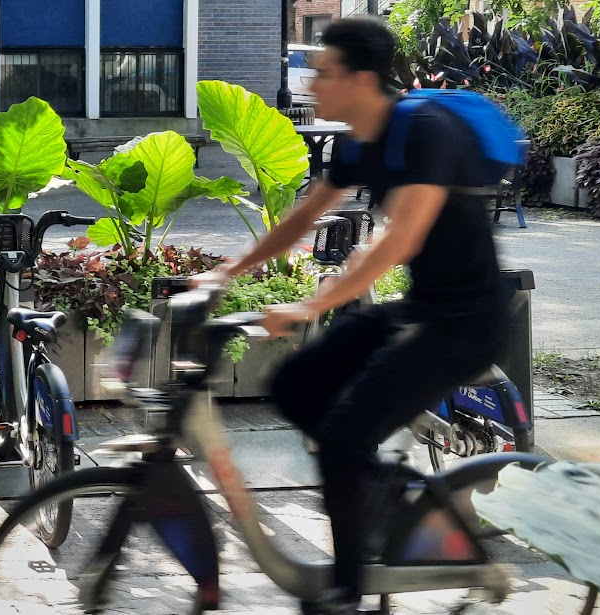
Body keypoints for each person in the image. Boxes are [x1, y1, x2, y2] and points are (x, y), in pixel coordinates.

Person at [191, 17, 511, 615]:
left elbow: (400, 238)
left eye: (324, 74)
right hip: (423, 311)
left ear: (363, 79)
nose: (312, 85)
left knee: (340, 437)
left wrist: (312, 305)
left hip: (467, 324)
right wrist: (225, 273)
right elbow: (301, 218)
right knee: (294, 384)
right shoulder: (361, 139)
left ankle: (348, 590)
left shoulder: (425, 130)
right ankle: (378, 487)